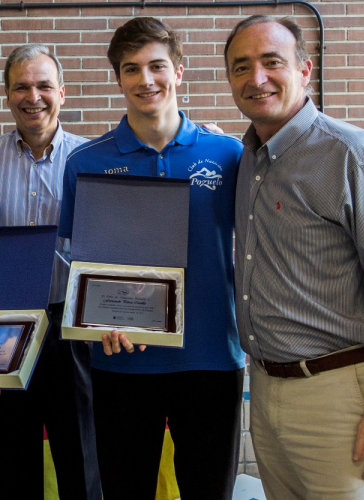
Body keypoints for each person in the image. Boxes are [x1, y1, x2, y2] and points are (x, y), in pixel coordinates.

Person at [226, 15, 364, 499]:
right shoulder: (245, 160)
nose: (256, 78)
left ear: (304, 70)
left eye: (271, 62)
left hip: (342, 396)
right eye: (241, 67)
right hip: (264, 388)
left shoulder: (352, 155)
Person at [59, 17, 245, 500]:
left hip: (211, 360)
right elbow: (82, 263)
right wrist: (97, 321)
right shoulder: (87, 162)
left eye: (157, 66)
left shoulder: (228, 154)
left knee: (210, 492)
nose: (146, 80)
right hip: (122, 361)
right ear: (117, 78)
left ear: (179, 71)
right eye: (131, 69)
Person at [0, 44, 101, 500]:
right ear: (7, 95)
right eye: (22, 86)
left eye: (44, 85)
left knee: (82, 457)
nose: (34, 96)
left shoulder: (92, 158)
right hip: (6, 328)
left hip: (73, 328)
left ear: (62, 93)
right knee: (9, 460)